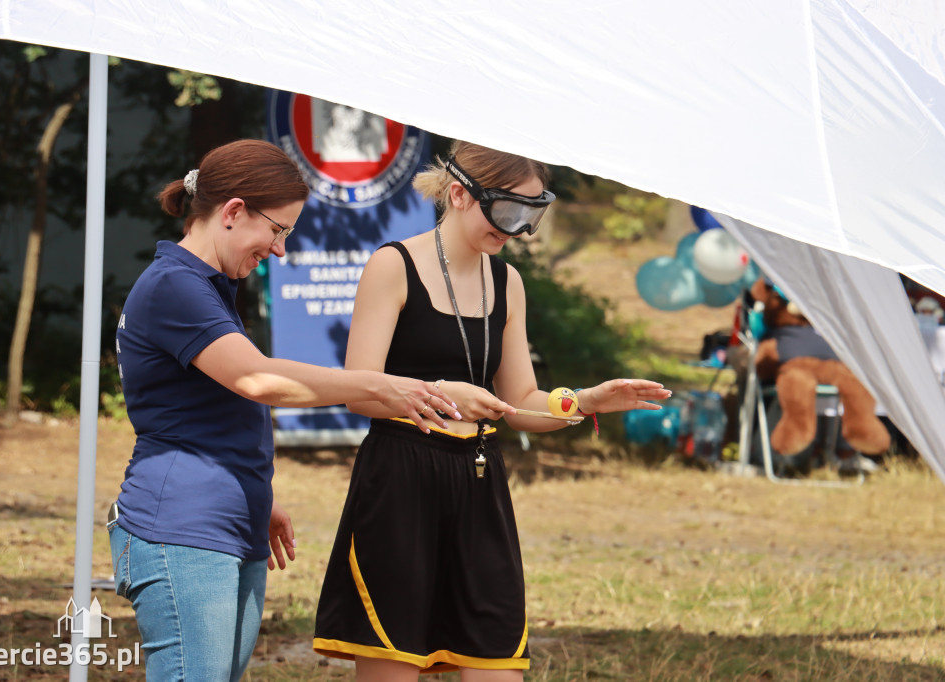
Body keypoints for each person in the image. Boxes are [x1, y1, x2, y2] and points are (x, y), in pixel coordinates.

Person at [313, 141, 671, 679]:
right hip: (400, 481)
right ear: (459, 194)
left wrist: (588, 400)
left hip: (478, 483)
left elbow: (521, 404)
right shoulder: (393, 266)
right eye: (508, 210)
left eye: (531, 213)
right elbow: (357, 390)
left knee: (496, 658)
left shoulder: (508, 283)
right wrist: (442, 393)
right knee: (395, 660)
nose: (517, 229)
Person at [108, 139, 458, 682]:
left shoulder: (207, 285)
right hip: (180, 527)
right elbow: (257, 378)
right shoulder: (175, 286)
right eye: (277, 230)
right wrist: (380, 385)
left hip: (228, 522)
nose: (279, 250)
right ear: (232, 212)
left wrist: (254, 493)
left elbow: (206, 406)